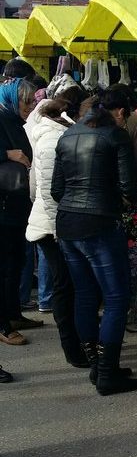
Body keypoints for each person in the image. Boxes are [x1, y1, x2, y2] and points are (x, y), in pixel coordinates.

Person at [51, 86, 137, 395]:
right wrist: (121, 201)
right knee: (116, 297)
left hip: (68, 224)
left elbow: (56, 190)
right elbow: (129, 187)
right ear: (115, 111)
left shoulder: (67, 136)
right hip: (100, 222)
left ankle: (99, 366)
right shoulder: (114, 136)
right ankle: (106, 373)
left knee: (86, 296)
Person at [25, 86, 92, 369]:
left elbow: (36, 187)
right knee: (64, 286)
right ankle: (72, 349)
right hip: (53, 226)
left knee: (68, 284)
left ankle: (78, 342)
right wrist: (59, 230)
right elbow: (51, 192)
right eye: (88, 107)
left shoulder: (55, 133)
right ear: (75, 109)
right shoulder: (54, 137)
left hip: (55, 222)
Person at [0, 78, 40, 346]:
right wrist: (6, 153)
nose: (29, 106)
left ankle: (13, 314)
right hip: (3, 205)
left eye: (31, 100)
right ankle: (3, 325)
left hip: (16, 204)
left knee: (16, 262)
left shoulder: (13, 119)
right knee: (4, 265)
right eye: (25, 100)